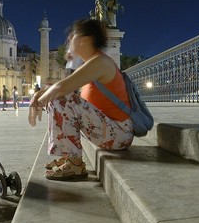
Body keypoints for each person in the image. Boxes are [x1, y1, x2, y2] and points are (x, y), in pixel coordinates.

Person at [28, 18, 134, 180]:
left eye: (73, 36)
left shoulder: (100, 62)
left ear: (85, 40)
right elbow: (64, 85)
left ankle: (75, 164)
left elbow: (61, 89)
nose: (69, 40)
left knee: (61, 99)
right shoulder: (90, 63)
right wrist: (40, 93)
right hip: (110, 130)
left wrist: (38, 101)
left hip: (119, 133)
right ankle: (69, 156)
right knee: (59, 96)